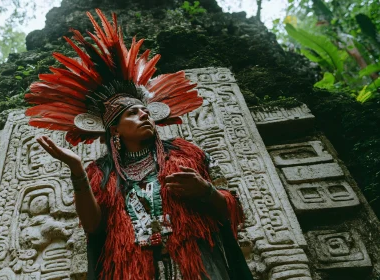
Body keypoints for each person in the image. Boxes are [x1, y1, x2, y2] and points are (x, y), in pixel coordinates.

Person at [26, 9, 253, 280]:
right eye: (132, 113)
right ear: (114, 130)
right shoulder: (100, 173)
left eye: (144, 111)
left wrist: (205, 191)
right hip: (131, 268)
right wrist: (76, 169)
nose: (143, 114)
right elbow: (93, 228)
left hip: (196, 263)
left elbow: (233, 209)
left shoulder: (187, 154)